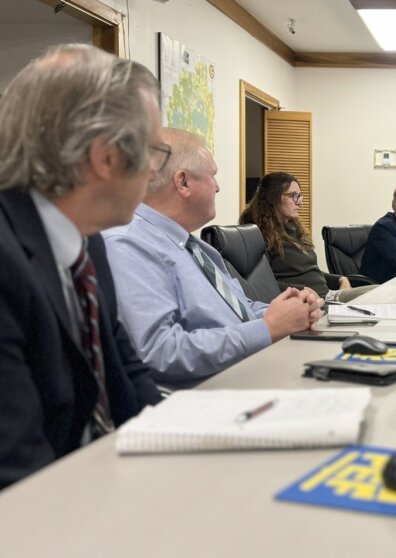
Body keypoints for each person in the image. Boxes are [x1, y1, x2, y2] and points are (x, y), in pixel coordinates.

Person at [0, 44, 163, 490]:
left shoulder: (88, 238)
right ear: (106, 157)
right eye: (153, 152)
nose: (154, 172)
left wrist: (183, 442)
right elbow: (18, 471)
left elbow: (125, 369)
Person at [103, 129, 324, 384]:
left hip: (249, 371)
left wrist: (293, 310)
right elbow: (160, 352)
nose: (218, 188)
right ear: (183, 182)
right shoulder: (127, 244)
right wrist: (268, 328)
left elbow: (239, 308)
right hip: (213, 392)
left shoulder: (196, 247)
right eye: (213, 176)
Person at [239, 172, 375, 301]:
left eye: (299, 196)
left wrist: (340, 279)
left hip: (329, 296)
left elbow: (311, 272)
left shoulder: (292, 230)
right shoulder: (261, 235)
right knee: (381, 295)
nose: (300, 202)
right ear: (272, 198)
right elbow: (261, 284)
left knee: (384, 292)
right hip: (311, 302)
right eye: (293, 196)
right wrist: (302, 290)